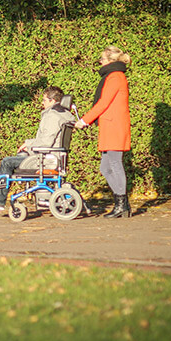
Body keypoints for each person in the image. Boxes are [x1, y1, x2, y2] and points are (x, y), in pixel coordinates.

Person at [0, 86, 74, 212]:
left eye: (44, 100)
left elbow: (45, 142)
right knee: (20, 156)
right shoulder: (64, 115)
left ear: (52, 101)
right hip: (53, 156)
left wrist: (29, 146)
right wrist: (28, 143)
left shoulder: (52, 116)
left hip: (46, 159)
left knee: (7, 162)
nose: (42, 103)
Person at [75, 46, 131, 218]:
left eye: (102, 59)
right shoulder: (113, 76)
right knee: (105, 167)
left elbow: (103, 102)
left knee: (114, 164)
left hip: (114, 126)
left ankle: (121, 204)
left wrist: (85, 120)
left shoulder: (115, 77)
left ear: (111, 60)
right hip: (110, 126)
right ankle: (123, 203)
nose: (100, 61)